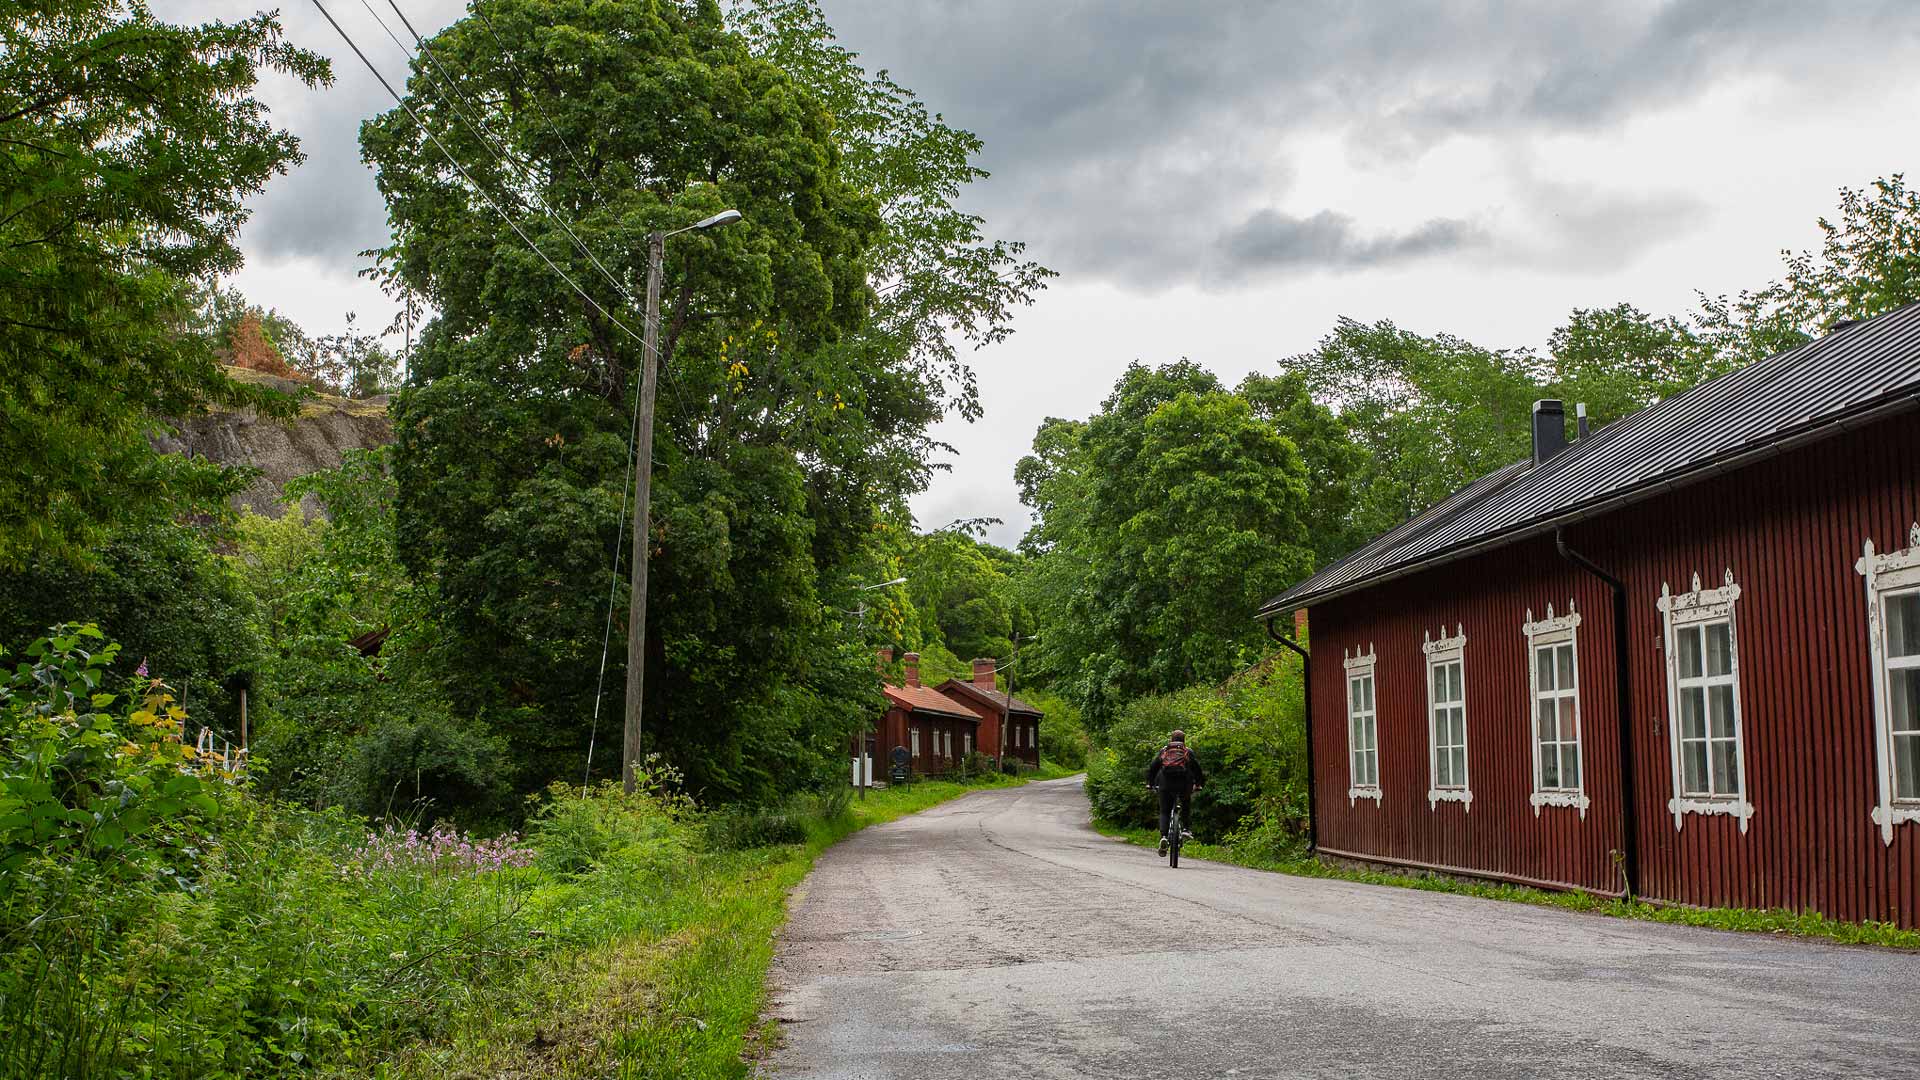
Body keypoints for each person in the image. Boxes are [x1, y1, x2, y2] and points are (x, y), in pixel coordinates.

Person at [1145, 729, 1205, 857]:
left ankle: (1164, 837)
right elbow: (1197, 769)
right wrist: (1199, 784)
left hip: (1165, 785)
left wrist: (1150, 783)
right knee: (1186, 804)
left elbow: (1153, 767)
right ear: (1184, 740)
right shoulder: (1188, 752)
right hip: (1184, 785)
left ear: (1171, 739)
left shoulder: (1164, 751)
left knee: (1164, 811)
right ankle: (1185, 829)